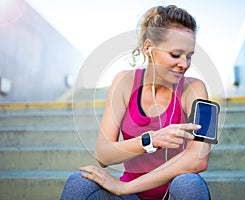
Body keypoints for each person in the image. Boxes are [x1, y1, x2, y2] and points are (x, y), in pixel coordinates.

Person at [61, 5, 211, 200]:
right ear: (149, 48)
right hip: (132, 196)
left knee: (190, 184)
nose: (185, 64)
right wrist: (151, 140)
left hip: (169, 193)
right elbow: (103, 154)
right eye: (175, 54)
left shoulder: (197, 89)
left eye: (189, 56)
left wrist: (125, 187)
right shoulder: (123, 82)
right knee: (79, 182)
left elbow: (198, 160)